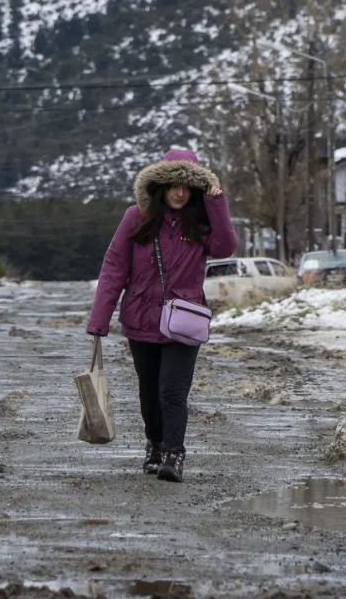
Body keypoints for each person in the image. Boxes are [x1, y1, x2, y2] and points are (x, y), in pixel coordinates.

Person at [86, 148, 237, 482]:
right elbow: (114, 268)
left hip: (184, 321)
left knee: (173, 391)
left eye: (186, 187)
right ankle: (155, 444)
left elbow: (225, 247)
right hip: (141, 319)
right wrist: (99, 319)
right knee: (150, 392)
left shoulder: (202, 221)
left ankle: (174, 454)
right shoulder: (135, 217)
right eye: (172, 186)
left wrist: (217, 202)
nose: (179, 193)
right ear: (159, 187)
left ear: (195, 190)